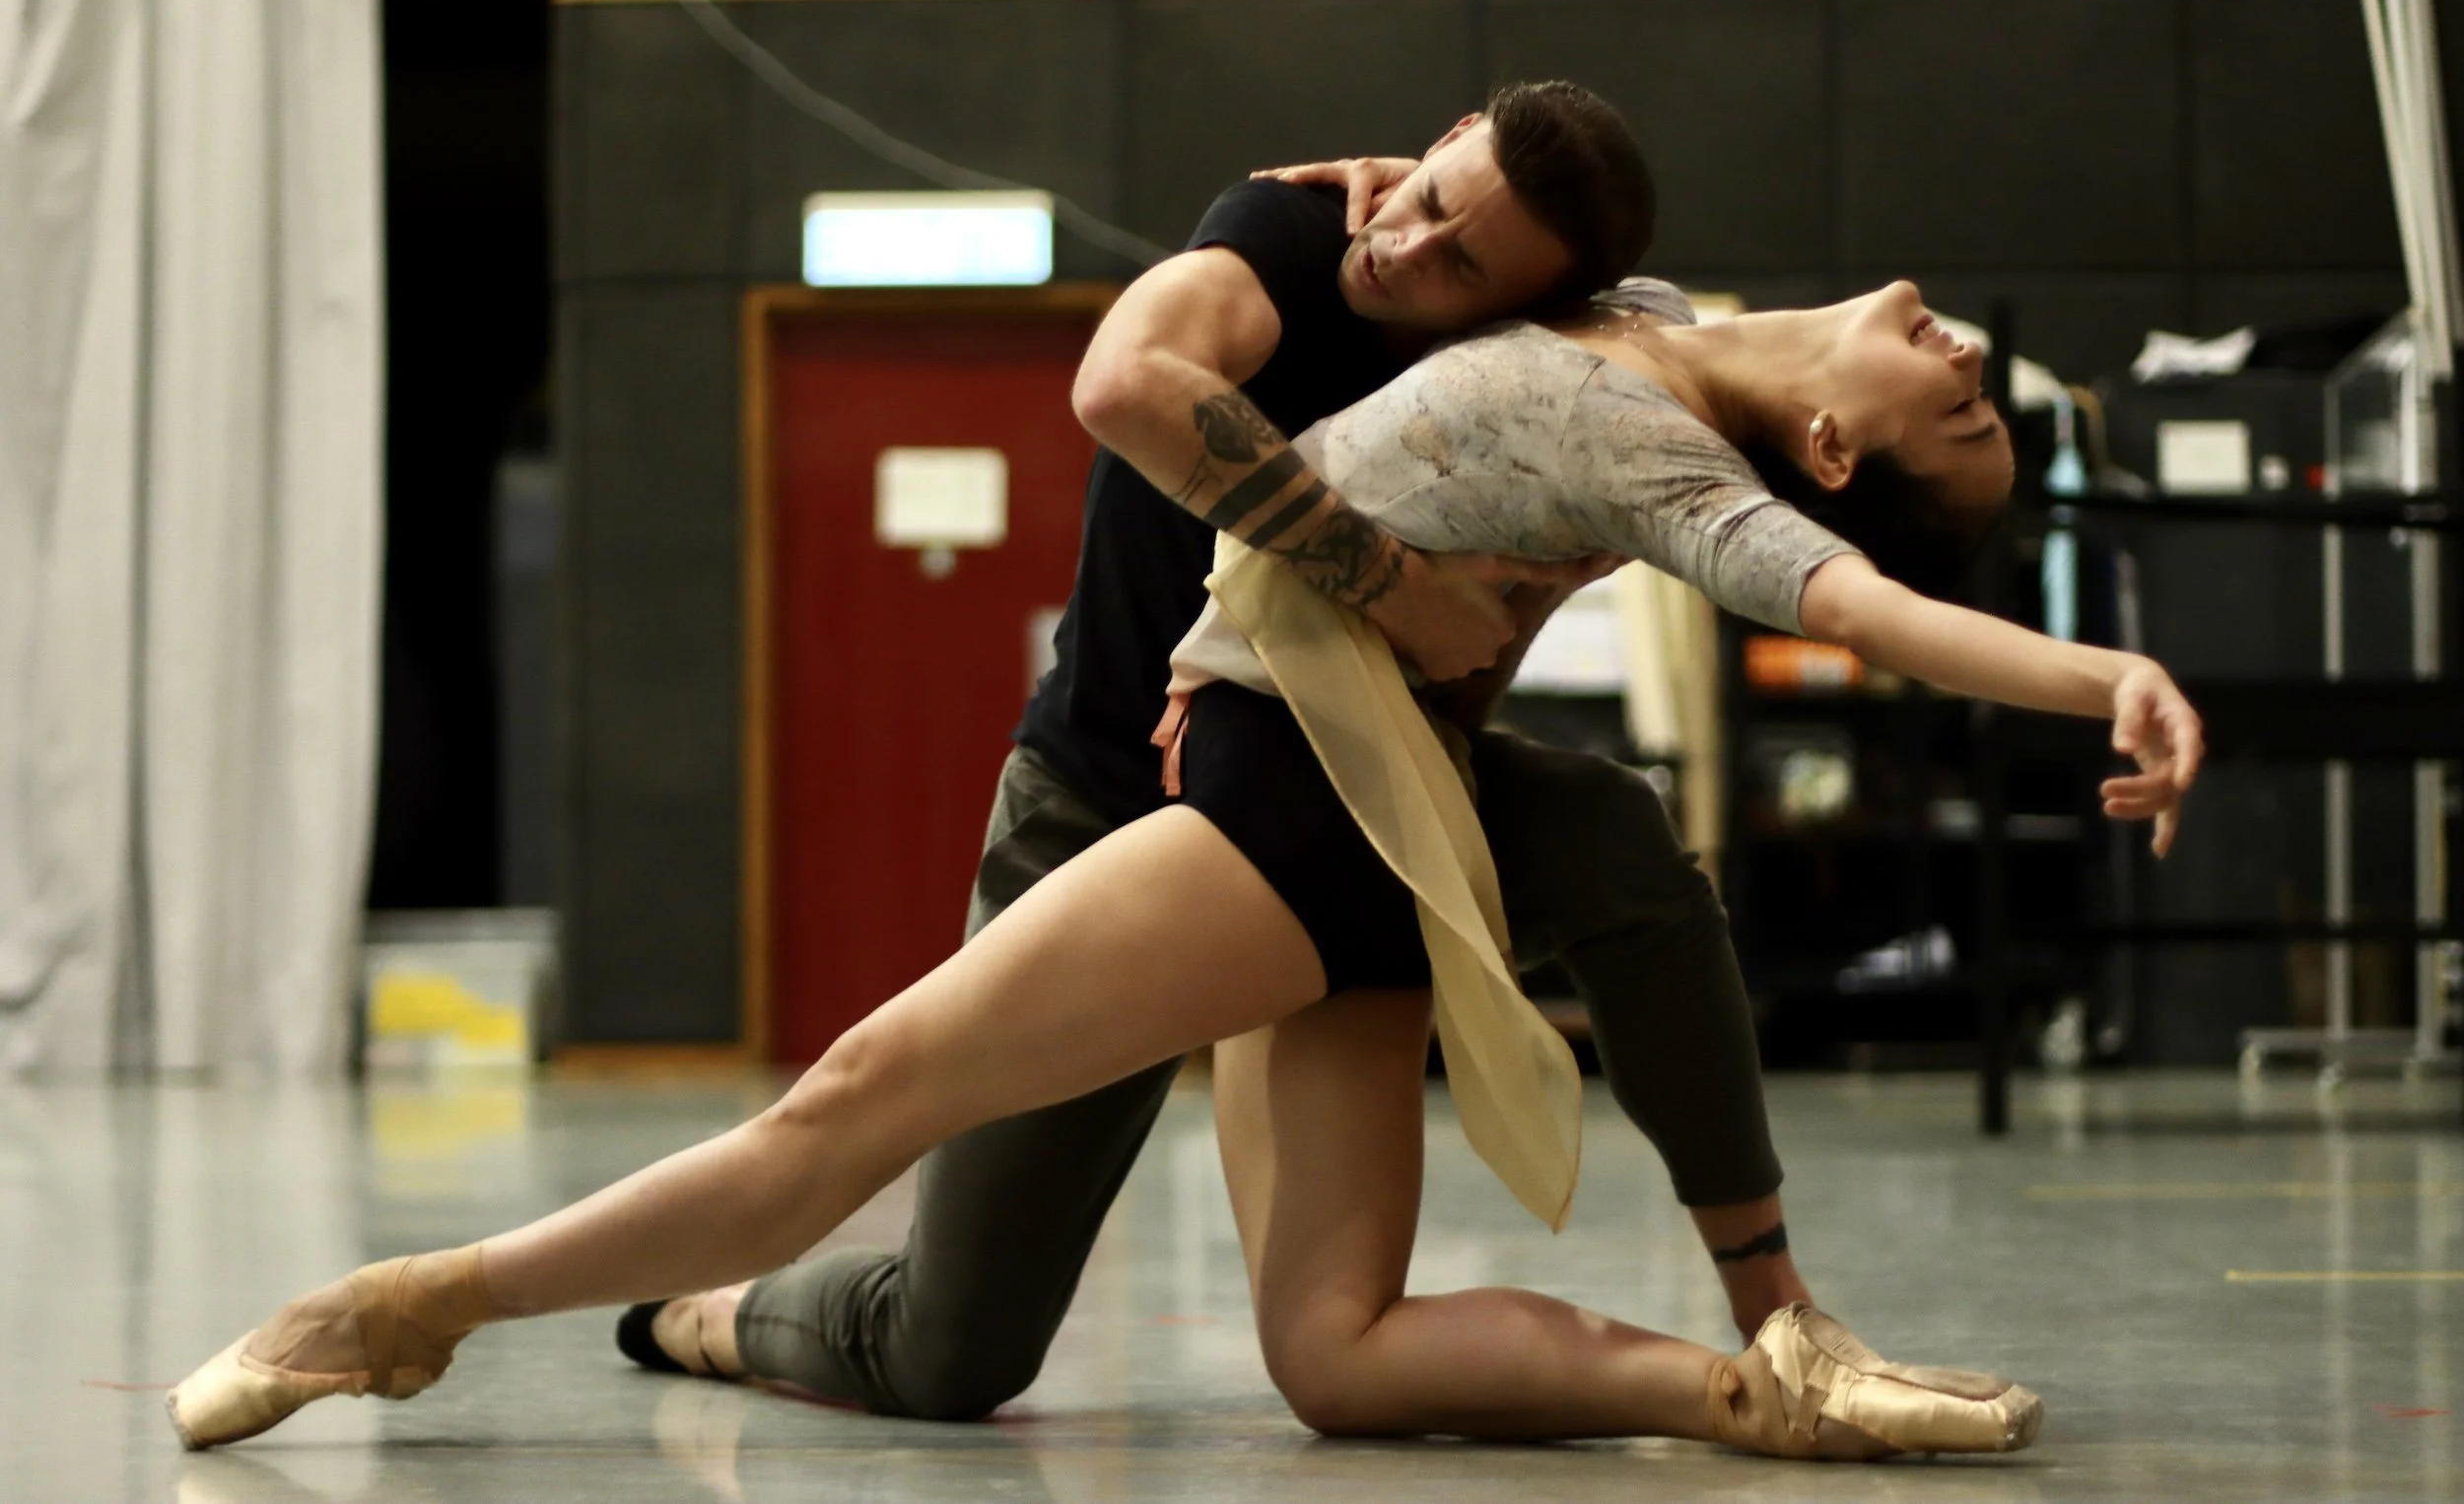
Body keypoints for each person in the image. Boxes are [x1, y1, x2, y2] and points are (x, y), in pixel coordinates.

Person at [167, 261, 2200, 1460]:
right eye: (1978, 397)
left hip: (1294, 813)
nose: (1967, 367)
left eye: (1965, 422)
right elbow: (1393, 244)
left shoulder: (1663, 450)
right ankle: (1735, 1385)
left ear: (1836, 460)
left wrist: (2098, 665)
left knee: (853, 1100)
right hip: (1363, 815)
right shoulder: (1642, 303)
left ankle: (413, 1302)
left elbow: (1857, 611)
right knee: (1337, 1346)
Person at [625, 82, 1827, 1417]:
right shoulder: (1284, 236)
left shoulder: (1553, 377)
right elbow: (1127, 381)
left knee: (1613, 843)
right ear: (1431, 148)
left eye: (1464, 261)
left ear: (1522, 309)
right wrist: (1386, 577)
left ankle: (1780, 1328)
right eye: (1430, 196)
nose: (1408, 248)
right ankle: (716, 1318)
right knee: (949, 1348)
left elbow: (1705, 343)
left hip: (1340, 823)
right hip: (1107, 812)